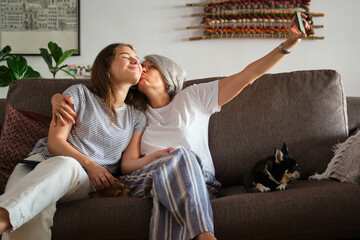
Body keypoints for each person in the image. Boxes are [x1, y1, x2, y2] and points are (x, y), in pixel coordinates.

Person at [50, 15, 310, 240]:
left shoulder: (194, 97)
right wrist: (56, 98)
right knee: (179, 156)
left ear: (168, 76)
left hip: (198, 182)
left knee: (171, 190)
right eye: (142, 64)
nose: (142, 68)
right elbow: (124, 157)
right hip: (145, 180)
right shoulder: (136, 114)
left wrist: (287, 44)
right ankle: (205, 234)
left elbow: (247, 76)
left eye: (151, 67)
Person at [0, 43, 173, 240]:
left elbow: (127, 164)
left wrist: (155, 157)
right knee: (35, 211)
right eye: (125, 56)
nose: (135, 60)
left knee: (68, 165)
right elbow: (55, 143)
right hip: (33, 167)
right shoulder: (80, 94)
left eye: (136, 58)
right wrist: (91, 164)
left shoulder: (136, 118)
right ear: (106, 69)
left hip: (82, 181)